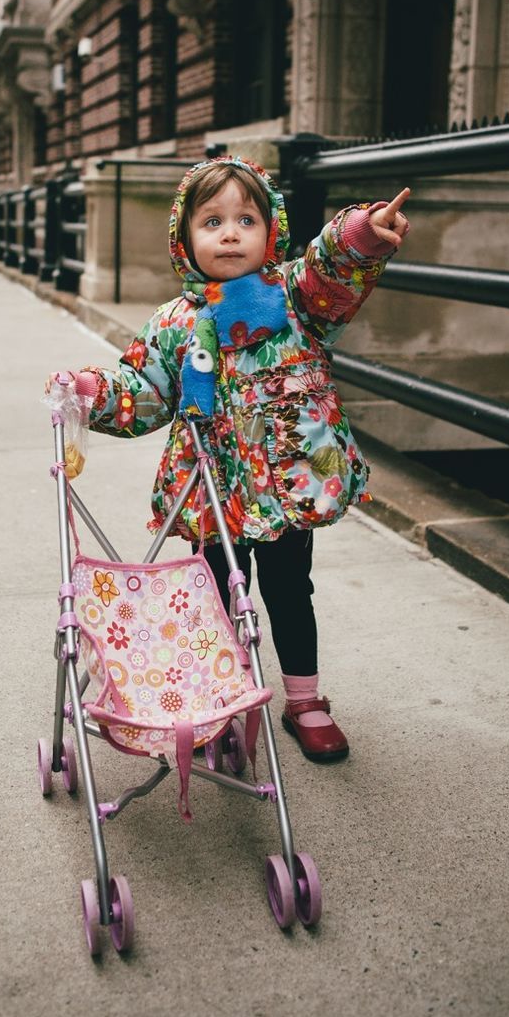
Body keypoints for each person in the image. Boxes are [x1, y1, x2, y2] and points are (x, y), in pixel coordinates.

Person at [47, 156, 409, 762]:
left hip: (288, 484)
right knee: (213, 593)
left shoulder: (296, 296)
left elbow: (332, 268)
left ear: (271, 231)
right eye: (212, 221)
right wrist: (91, 390)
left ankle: (305, 699)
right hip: (211, 490)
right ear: (185, 238)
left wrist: (359, 235)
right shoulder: (176, 322)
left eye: (246, 218)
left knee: (292, 589)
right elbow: (146, 390)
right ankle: (220, 691)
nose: (231, 232)